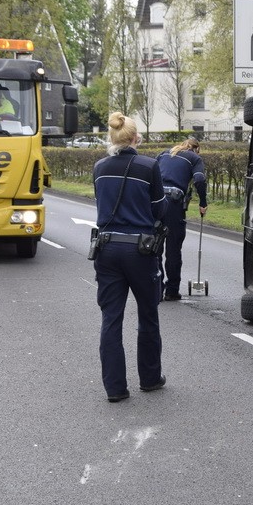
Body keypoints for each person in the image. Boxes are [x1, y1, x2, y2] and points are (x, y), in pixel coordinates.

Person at [92, 111, 169, 402]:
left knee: (111, 319)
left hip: (107, 248)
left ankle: (115, 388)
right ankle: (149, 378)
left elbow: (102, 203)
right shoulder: (149, 167)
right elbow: (159, 209)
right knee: (148, 315)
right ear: (136, 138)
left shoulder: (99, 167)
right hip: (140, 250)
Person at [156, 136, 208, 301]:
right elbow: (199, 179)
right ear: (196, 149)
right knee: (173, 248)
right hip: (173, 204)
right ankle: (172, 291)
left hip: (155, 202)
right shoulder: (194, 158)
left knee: (155, 247)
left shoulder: (164, 154)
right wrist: (203, 202)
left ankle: (156, 289)